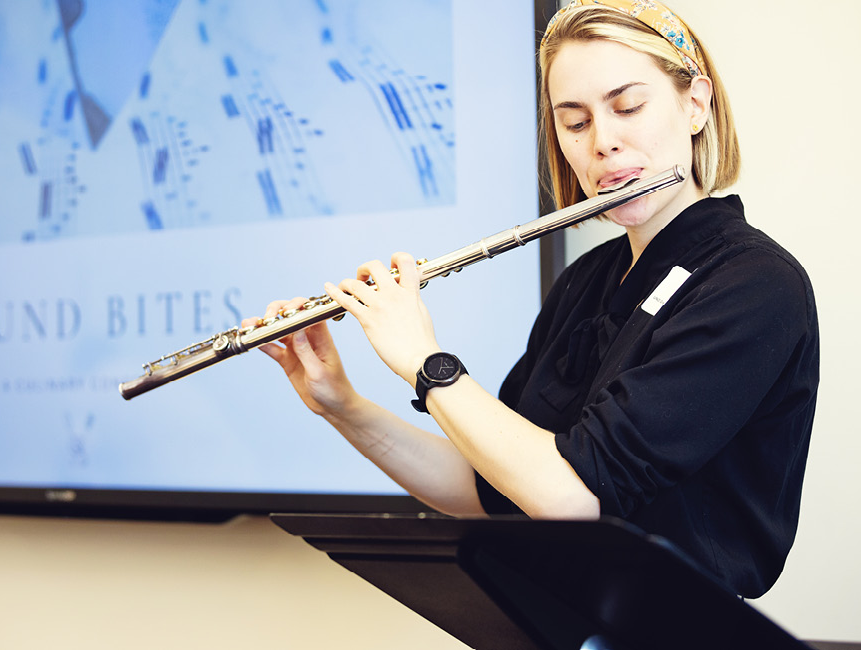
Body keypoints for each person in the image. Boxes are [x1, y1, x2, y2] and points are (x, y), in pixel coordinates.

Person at [244, 0, 819, 599]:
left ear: (695, 103)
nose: (603, 143)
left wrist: (424, 359)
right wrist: (343, 406)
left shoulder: (753, 284)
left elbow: (570, 496)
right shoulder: (586, 280)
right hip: (562, 623)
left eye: (628, 106)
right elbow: (493, 490)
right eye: (575, 122)